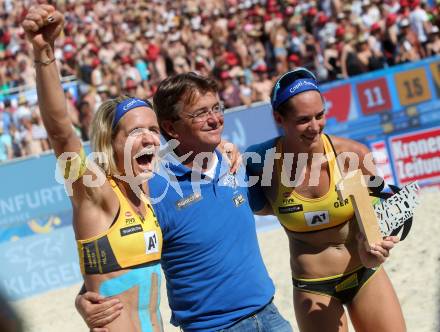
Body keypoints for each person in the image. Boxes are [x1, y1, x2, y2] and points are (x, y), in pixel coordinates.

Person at [77, 72, 293, 332]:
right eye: (200, 113)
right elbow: (121, 254)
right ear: (170, 127)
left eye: (216, 108)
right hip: (212, 328)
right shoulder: (152, 185)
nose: (214, 119)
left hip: (270, 315)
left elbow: (279, 206)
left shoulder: (234, 162)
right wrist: (84, 299)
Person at [23, 5, 164, 331]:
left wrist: (81, 295)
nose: (148, 139)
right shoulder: (96, 193)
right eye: (134, 132)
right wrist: (45, 53)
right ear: (110, 143)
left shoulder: (148, 193)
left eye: (153, 130)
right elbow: (61, 133)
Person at [245, 68, 405, 332]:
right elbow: (254, 205)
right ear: (278, 118)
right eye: (303, 119)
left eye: (320, 116)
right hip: (314, 287)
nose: (315, 127)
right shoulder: (261, 164)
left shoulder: (352, 155)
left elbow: (372, 221)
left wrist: (376, 244)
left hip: (366, 274)